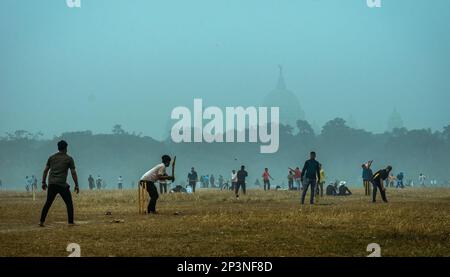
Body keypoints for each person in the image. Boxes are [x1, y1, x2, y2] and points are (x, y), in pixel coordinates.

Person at [39, 140, 79, 226]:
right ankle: (71, 222)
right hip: (62, 185)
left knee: (48, 203)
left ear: (58, 148)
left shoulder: (51, 157)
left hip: (52, 184)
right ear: (66, 148)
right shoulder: (69, 159)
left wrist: (43, 182)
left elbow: (45, 171)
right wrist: (76, 185)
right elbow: (73, 173)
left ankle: (41, 222)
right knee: (69, 203)